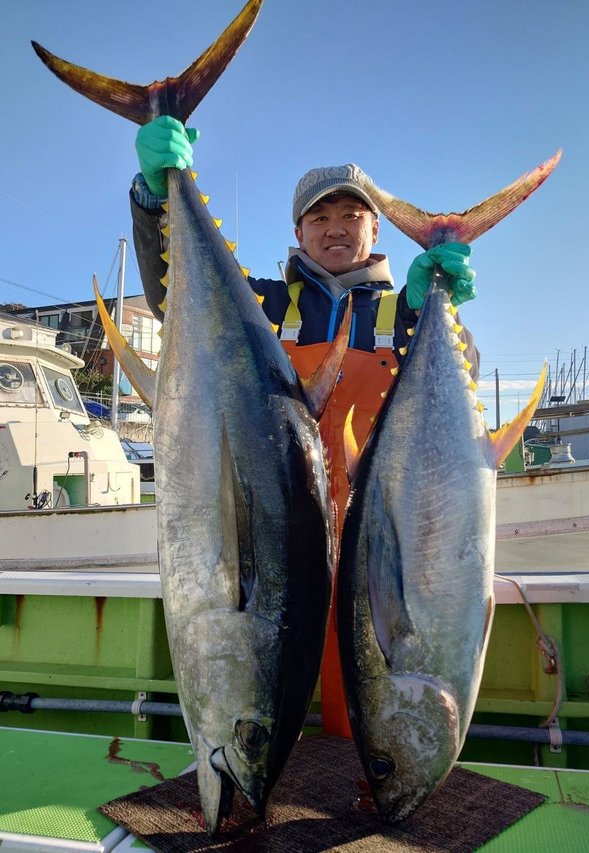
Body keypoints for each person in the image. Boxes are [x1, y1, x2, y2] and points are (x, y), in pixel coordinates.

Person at [130, 116, 479, 738]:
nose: (335, 228)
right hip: (280, 534)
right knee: (273, 686)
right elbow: (171, 295)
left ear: (374, 229)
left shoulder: (407, 312)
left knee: (365, 708)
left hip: (377, 541)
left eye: (351, 215)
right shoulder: (261, 305)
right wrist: (156, 201)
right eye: (320, 218)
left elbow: (458, 387)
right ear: (298, 231)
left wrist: (443, 305)